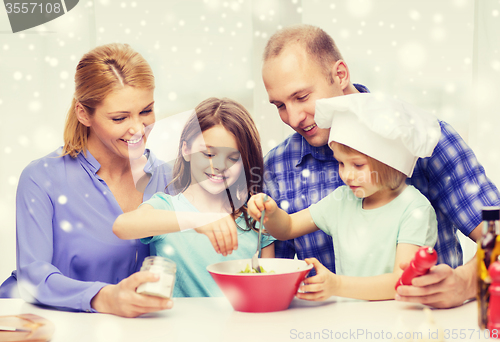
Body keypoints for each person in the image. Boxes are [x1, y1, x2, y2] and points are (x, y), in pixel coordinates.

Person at [261, 24, 500, 308]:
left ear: (340, 74)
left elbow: (495, 235)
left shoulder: (423, 138)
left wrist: (466, 282)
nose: (294, 117)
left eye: (301, 97)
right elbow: (277, 276)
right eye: (279, 105)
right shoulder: (278, 165)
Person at [0, 43, 174, 317]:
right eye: (119, 118)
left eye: (146, 111)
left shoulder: (169, 178)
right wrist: (104, 298)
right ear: (84, 113)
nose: (138, 129)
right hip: (51, 324)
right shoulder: (42, 178)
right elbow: (33, 276)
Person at [249, 93, 439, 300]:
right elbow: (288, 228)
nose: (346, 174)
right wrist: (271, 212)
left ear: (389, 162)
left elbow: (402, 281)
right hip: (347, 320)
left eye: (357, 165)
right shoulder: (343, 200)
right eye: (341, 163)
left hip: (395, 323)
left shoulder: (414, 209)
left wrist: (337, 285)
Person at [113, 97, 275, 297]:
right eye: (208, 154)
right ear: (186, 149)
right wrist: (198, 220)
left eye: (233, 158)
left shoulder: (256, 220)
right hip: (178, 328)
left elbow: (268, 291)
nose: (219, 166)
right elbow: (121, 226)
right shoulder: (166, 207)